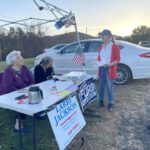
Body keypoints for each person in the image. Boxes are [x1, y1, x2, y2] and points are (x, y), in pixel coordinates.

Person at [0, 50, 33, 133]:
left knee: (35, 94)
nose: (22, 58)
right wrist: (23, 91)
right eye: (18, 57)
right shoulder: (8, 71)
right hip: (9, 93)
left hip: (25, 90)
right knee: (24, 101)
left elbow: (31, 80)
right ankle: (18, 126)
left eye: (21, 56)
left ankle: (36, 112)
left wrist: (31, 88)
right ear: (12, 61)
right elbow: (8, 87)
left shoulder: (24, 68)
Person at [97, 29, 120, 111]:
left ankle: (110, 103)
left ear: (109, 37)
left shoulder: (114, 46)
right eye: (101, 35)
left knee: (109, 87)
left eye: (103, 35)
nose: (102, 37)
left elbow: (118, 59)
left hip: (109, 69)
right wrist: (97, 62)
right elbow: (99, 58)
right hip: (101, 68)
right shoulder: (101, 46)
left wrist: (110, 64)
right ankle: (101, 101)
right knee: (101, 86)